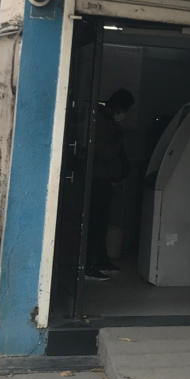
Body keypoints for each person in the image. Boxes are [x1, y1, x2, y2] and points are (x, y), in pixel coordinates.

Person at [85, 88, 135, 281]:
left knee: (101, 224)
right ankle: (88, 264)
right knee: (94, 223)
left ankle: (100, 260)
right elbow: (104, 151)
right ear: (119, 108)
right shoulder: (100, 122)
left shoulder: (107, 121)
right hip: (98, 179)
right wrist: (118, 138)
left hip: (105, 179)